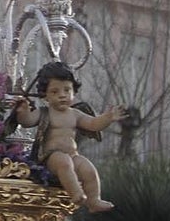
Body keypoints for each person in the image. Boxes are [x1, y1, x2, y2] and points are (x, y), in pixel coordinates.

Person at [14, 62, 126, 214]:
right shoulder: (44, 112)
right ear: (45, 95)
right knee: (64, 162)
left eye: (67, 90)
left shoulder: (75, 114)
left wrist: (108, 117)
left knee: (88, 169)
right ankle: (75, 193)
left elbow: (93, 124)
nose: (62, 95)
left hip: (72, 155)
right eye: (55, 91)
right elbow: (27, 121)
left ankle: (94, 201)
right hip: (50, 156)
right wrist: (23, 112)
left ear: (74, 91)